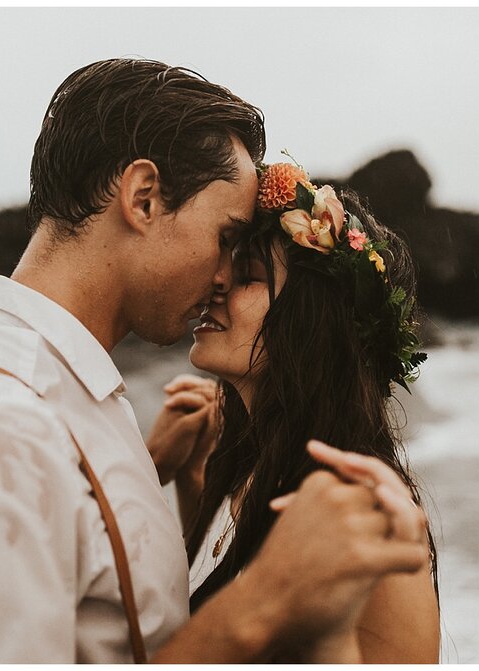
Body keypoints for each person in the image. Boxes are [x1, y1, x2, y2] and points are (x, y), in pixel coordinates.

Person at [0, 58, 428, 663]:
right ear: (143, 199)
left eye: (243, 264)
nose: (220, 276)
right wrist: (265, 600)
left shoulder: (55, 397)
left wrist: (152, 474)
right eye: (226, 238)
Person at [146, 162, 441, 662]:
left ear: (310, 322)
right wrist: (179, 476)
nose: (216, 282)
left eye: (248, 276)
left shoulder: (366, 512)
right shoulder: (242, 468)